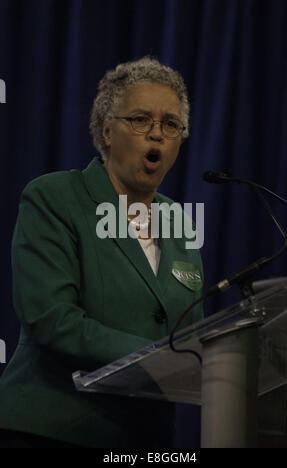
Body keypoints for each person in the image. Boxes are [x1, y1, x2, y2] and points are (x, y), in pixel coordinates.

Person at [0, 56, 203, 448]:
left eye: (171, 124)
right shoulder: (55, 197)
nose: (157, 135)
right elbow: (52, 318)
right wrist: (160, 358)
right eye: (141, 120)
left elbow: (193, 331)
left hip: (147, 440)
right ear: (108, 131)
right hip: (53, 428)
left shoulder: (181, 221)